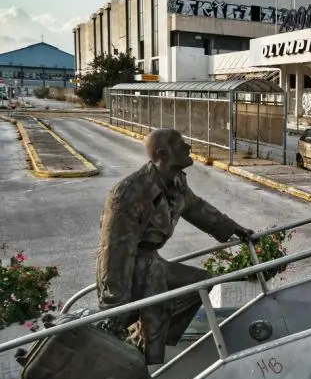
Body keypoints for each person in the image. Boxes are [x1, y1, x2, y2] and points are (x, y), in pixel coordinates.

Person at [95, 128, 253, 366]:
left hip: (153, 263)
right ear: (162, 153)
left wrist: (234, 229)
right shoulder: (130, 192)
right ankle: (145, 364)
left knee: (199, 282)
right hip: (132, 270)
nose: (188, 147)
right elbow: (114, 252)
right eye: (181, 145)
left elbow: (196, 207)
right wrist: (114, 310)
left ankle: (146, 339)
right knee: (154, 316)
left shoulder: (176, 182)